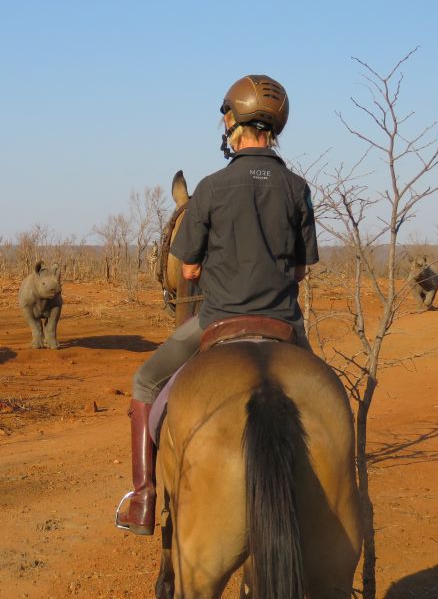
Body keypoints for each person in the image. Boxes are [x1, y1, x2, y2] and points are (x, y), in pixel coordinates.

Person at [116, 74, 319, 536]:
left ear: (234, 121)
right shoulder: (298, 188)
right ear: (274, 127)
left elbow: (186, 269)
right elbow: (302, 271)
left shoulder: (209, 188)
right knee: (322, 394)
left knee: (145, 380)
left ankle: (144, 499)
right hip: (285, 325)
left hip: (217, 319)